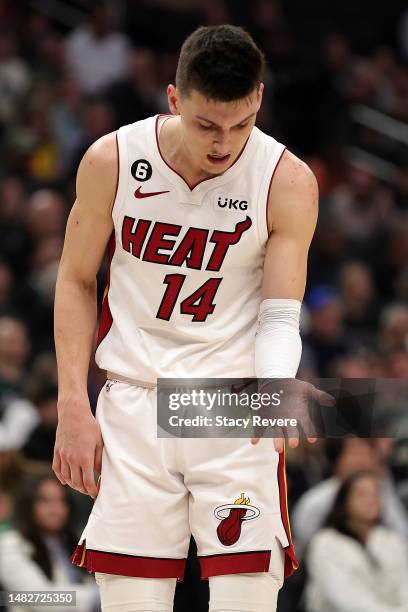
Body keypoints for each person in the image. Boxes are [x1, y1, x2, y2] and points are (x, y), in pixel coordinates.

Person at [53, 25, 323, 612]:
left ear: (258, 99)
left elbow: (280, 313)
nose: (224, 144)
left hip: (232, 402)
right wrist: (72, 401)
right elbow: (76, 279)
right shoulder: (114, 159)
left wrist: (275, 384)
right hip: (133, 398)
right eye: (206, 125)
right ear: (174, 100)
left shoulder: (287, 179)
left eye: (240, 124)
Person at [305, 470, 408, 612]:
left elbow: (404, 587)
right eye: (362, 494)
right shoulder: (325, 543)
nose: (371, 500)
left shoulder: (390, 540)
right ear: (344, 501)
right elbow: (348, 601)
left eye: (375, 493)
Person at [0, 474, 99, 612]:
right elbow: (38, 598)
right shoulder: (9, 545)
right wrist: (96, 596)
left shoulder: (76, 540)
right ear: (28, 505)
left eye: (61, 501)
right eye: (45, 501)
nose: (55, 509)